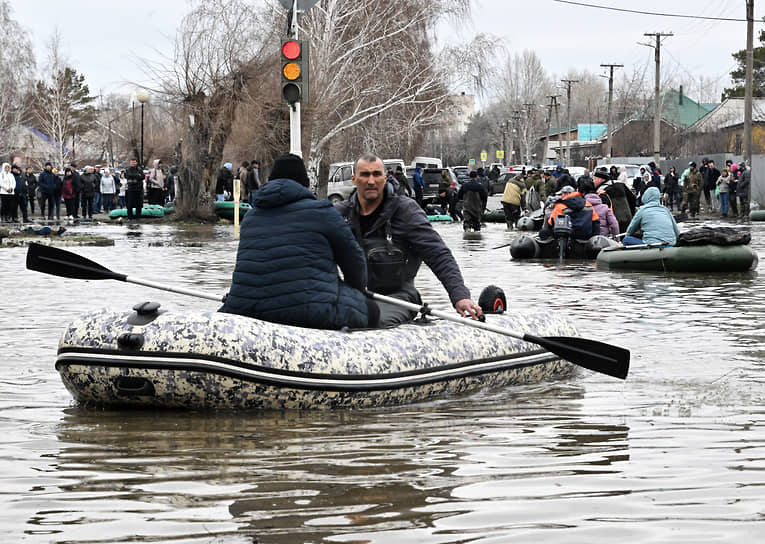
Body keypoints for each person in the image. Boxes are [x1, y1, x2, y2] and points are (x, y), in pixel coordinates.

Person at [219, 153, 378, 330]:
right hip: (310, 311)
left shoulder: (250, 218)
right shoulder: (323, 212)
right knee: (372, 310)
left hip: (245, 309)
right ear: (306, 185)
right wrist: (357, 291)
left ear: (269, 182)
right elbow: (355, 265)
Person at [335, 153, 482, 327]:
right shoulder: (339, 215)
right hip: (355, 297)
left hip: (400, 298)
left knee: (372, 323)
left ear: (384, 177)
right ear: (354, 179)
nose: (371, 181)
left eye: (376, 174)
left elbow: (438, 254)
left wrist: (460, 296)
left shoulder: (406, 211)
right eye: (365, 175)